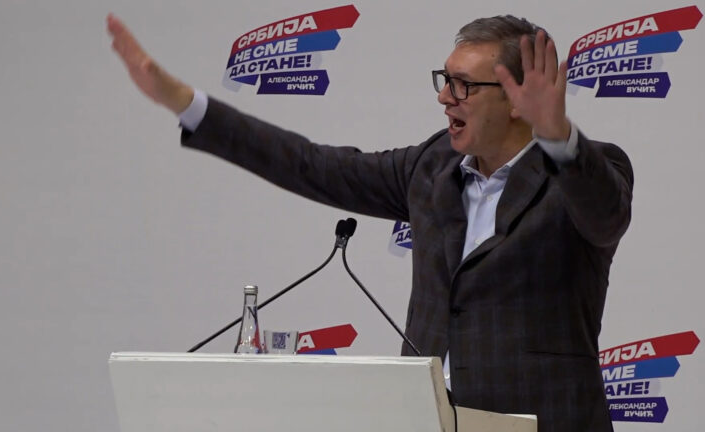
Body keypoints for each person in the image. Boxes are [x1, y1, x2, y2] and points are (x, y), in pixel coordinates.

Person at [108, 13, 632, 432]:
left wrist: (558, 134)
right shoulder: (432, 167)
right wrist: (188, 105)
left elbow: (605, 216)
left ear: (518, 101)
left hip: (544, 422)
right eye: (443, 81)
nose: (443, 97)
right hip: (426, 420)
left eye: (462, 86)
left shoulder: (587, 171)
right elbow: (312, 165)